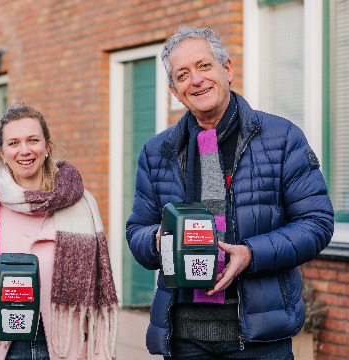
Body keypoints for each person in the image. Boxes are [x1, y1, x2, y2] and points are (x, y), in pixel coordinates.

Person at [126, 26, 334, 359]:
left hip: (259, 341)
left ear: (228, 69)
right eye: (183, 75)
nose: (196, 80)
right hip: (184, 342)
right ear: (174, 91)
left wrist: (250, 254)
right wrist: (158, 239)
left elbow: (317, 223)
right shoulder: (157, 153)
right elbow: (137, 231)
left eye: (204, 66)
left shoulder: (282, 138)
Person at [0, 105, 119, 360]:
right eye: (13, 142)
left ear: (47, 146)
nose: (24, 150)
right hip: (3, 346)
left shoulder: (82, 203)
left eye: (33, 140)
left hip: (67, 347)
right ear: (2, 152)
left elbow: (98, 293)